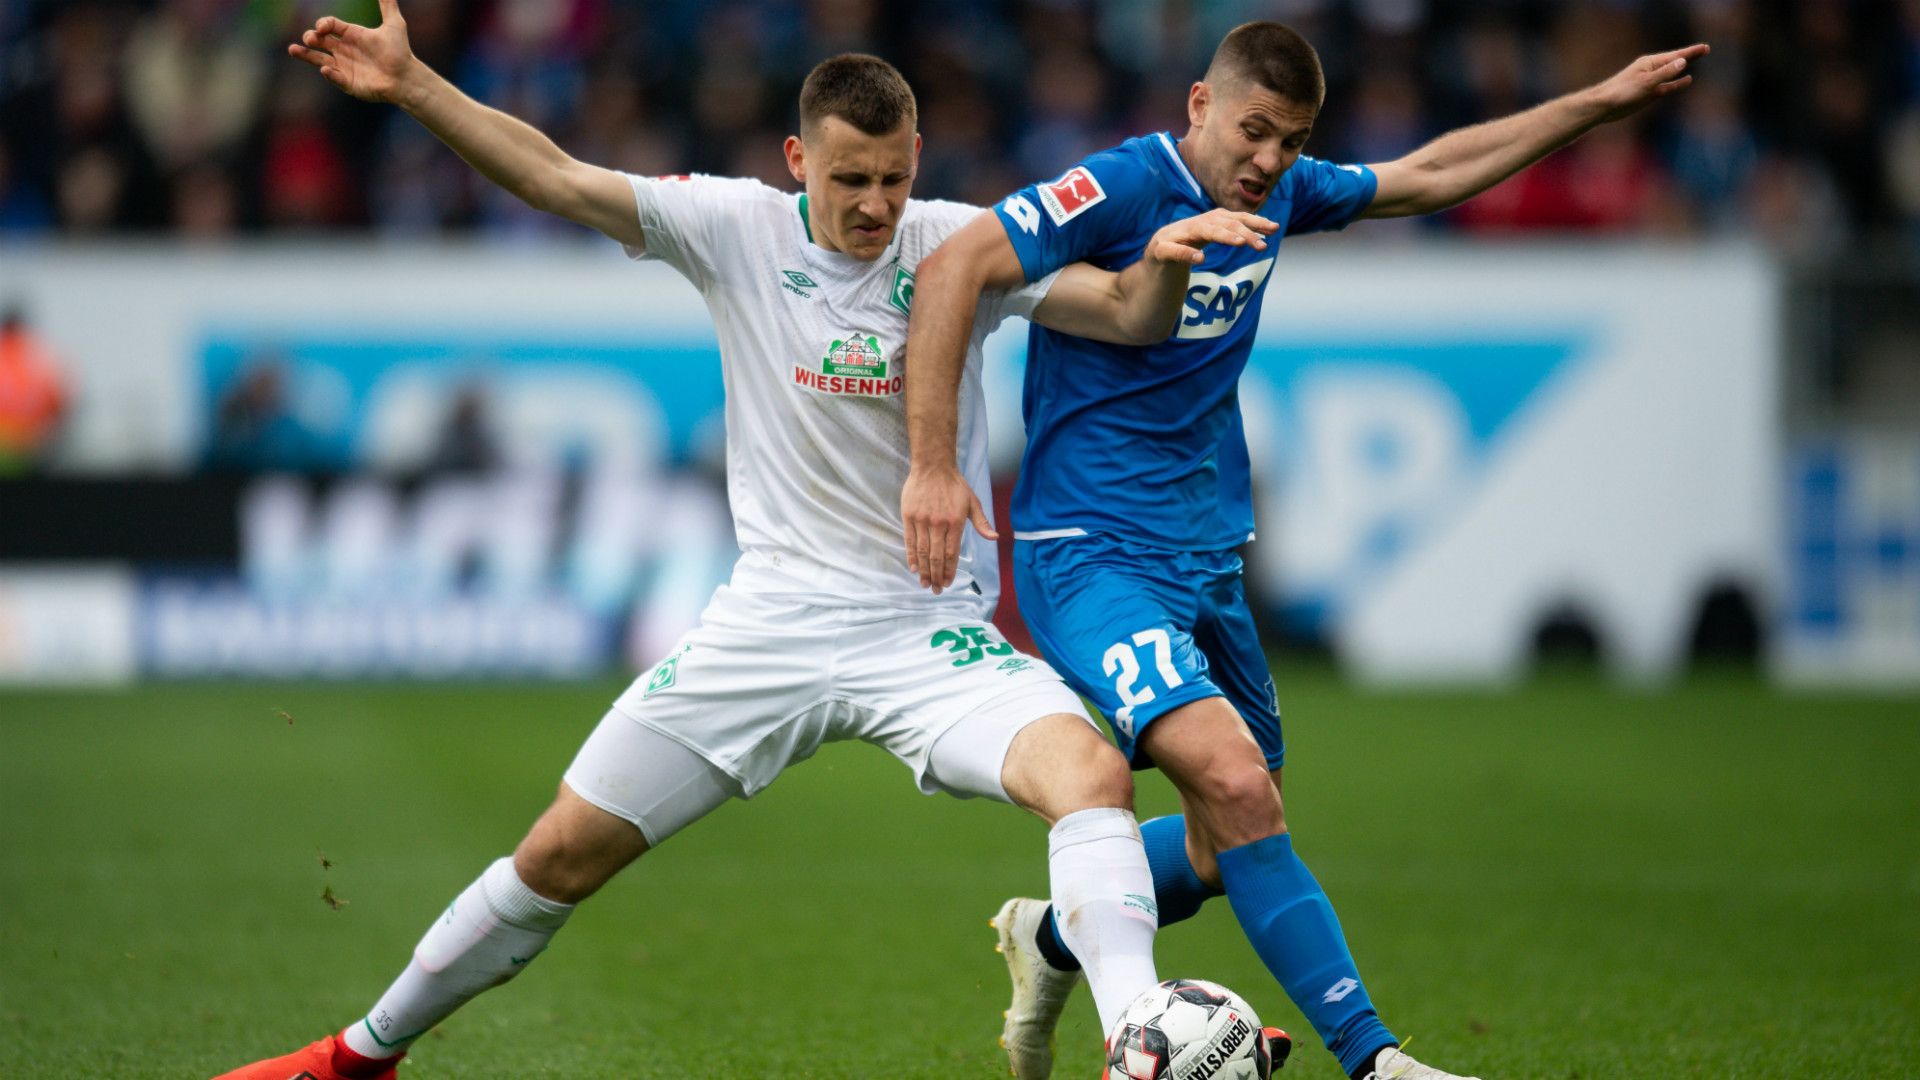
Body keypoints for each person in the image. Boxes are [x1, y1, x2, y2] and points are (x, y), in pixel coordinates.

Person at [212, 4, 1281, 1078]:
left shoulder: (963, 244)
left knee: (1093, 776)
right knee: (558, 854)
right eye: (847, 179)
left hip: (927, 632)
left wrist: (1170, 261)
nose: (873, 205)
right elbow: (554, 176)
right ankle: (357, 1057)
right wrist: (413, 88)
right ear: (795, 160)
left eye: (893, 180)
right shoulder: (733, 227)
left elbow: (1130, 314)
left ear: (918, 162)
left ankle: (1141, 1036)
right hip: (770, 621)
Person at [901, 21, 1709, 1080]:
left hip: (1205, 554)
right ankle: (1378, 1061)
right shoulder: (1115, 189)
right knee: (1240, 789)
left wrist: (1592, 108)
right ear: (1198, 105)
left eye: (1291, 140)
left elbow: (1427, 173)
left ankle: (1046, 933)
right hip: (1089, 554)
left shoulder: (1278, 191)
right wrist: (931, 463)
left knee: (1220, 845)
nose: (1270, 160)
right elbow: (959, 264)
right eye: (1253, 132)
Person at [0, 304, 69, 474]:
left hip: (25, 449)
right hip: (30, 449)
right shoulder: (39, 358)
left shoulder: (36, 359)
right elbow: (60, 406)